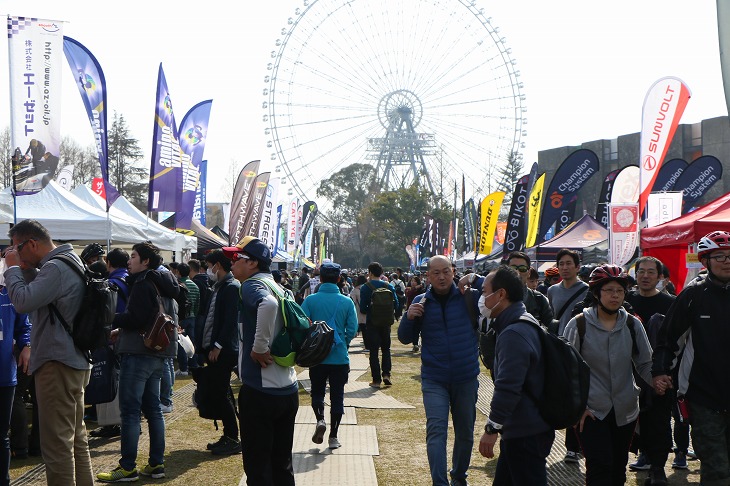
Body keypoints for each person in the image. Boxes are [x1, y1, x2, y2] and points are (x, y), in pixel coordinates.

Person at [3, 219, 94, 485]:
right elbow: (40, 290)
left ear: (31, 243)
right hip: (73, 360)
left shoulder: (55, 267)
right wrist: (22, 267)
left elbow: (22, 302)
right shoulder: (68, 261)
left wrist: (11, 270)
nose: (14, 254)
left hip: (56, 363)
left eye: (17, 248)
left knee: (56, 446)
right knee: (76, 440)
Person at [562, 264, 653, 486]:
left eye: (620, 291)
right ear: (596, 293)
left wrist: (660, 382)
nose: (615, 296)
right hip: (591, 410)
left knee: (618, 466)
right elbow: (567, 370)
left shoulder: (632, 324)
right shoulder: (579, 324)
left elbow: (645, 363)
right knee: (599, 465)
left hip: (625, 409)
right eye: (609, 290)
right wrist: (577, 409)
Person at [97, 241, 179, 482]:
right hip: (159, 353)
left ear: (145, 261)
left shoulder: (144, 282)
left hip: (138, 353)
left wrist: (114, 319)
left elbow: (137, 318)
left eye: (133, 256)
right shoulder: (165, 282)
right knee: (154, 410)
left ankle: (128, 466)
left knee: (131, 412)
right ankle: (156, 464)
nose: (129, 260)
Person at [653, 231, 730, 485]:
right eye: (719, 256)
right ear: (706, 261)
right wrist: (661, 371)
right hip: (704, 395)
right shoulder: (693, 295)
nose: (726, 261)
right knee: (716, 467)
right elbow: (668, 338)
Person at [399, 255, 479, 486]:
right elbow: (405, 338)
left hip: (466, 376)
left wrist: (473, 277)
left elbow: (497, 285)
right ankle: (439, 482)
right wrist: (408, 317)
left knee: (465, 432)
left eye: (446, 271)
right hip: (434, 379)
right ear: (428, 276)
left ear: (453, 272)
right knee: (436, 431)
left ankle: (459, 477)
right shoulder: (422, 302)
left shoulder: (468, 297)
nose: (442, 277)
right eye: (436, 273)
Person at [477, 265, 555, 485]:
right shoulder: (522, 322)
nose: (482, 299)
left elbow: (509, 387)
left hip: (525, 431)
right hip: (525, 428)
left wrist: (492, 428)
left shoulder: (513, 332)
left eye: (484, 292)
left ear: (501, 294)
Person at [235, 236, 298, 486]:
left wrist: (258, 347)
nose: (232, 263)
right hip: (287, 388)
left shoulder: (251, 285)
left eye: (236, 258)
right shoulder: (282, 287)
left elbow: (267, 304)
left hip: (260, 390)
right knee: (282, 464)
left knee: (258, 468)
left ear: (252, 263)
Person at [625, 256, 676, 483]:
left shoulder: (670, 303)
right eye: (641, 271)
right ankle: (641, 455)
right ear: (635, 275)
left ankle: (657, 467)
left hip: (659, 372)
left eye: (650, 272)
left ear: (660, 276)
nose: (645, 276)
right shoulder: (625, 300)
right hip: (627, 373)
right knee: (632, 421)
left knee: (659, 421)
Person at [301, 262, 358, 449]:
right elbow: (353, 329)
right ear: (340, 279)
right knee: (337, 396)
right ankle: (333, 436)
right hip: (339, 357)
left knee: (317, 392)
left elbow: (302, 325)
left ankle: (320, 420)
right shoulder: (347, 301)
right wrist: (342, 341)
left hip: (317, 357)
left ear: (321, 278)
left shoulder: (310, 300)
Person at [200, 249, 242, 455]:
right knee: (221, 393)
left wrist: (218, 345)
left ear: (218, 265)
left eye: (209, 265)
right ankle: (229, 436)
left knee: (220, 394)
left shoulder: (231, 287)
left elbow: (229, 322)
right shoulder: (220, 286)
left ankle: (233, 438)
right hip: (216, 348)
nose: (208, 269)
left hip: (224, 350)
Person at [88, 248, 130, 439]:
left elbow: (109, 315)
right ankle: (121, 422)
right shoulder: (131, 279)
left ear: (108, 262)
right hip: (129, 337)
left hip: (113, 336)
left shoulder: (111, 283)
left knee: (110, 380)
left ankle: (113, 423)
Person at [0, 270, 31, 486]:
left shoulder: (8, 296)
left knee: (1, 435)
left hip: (5, 376)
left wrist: (26, 346)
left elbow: (24, 326)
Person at [359, 261, 399, 387]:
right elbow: (396, 304)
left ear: (370, 273)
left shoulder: (366, 287)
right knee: (386, 349)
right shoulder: (388, 286)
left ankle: (376, 379)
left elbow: (363, 309)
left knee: (374, 351)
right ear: (381, 273)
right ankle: (386, 374)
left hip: (372, 323)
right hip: (386, 322)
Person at [174, 262, 200, 377]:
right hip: (193, 317)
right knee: (191, 343)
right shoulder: (194, 285)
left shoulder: (178, 285)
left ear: (178, 272)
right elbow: (198, 303)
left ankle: (183, 368)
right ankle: (193, 365)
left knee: (181, 343)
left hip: (182, 318)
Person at [349, 275, 368, 348]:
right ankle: (370, 344)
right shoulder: (368, 288)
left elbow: (352, 301)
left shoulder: (355, 289)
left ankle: (366, 345)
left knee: (363, 329)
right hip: (369, 311)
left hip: (359, 311)